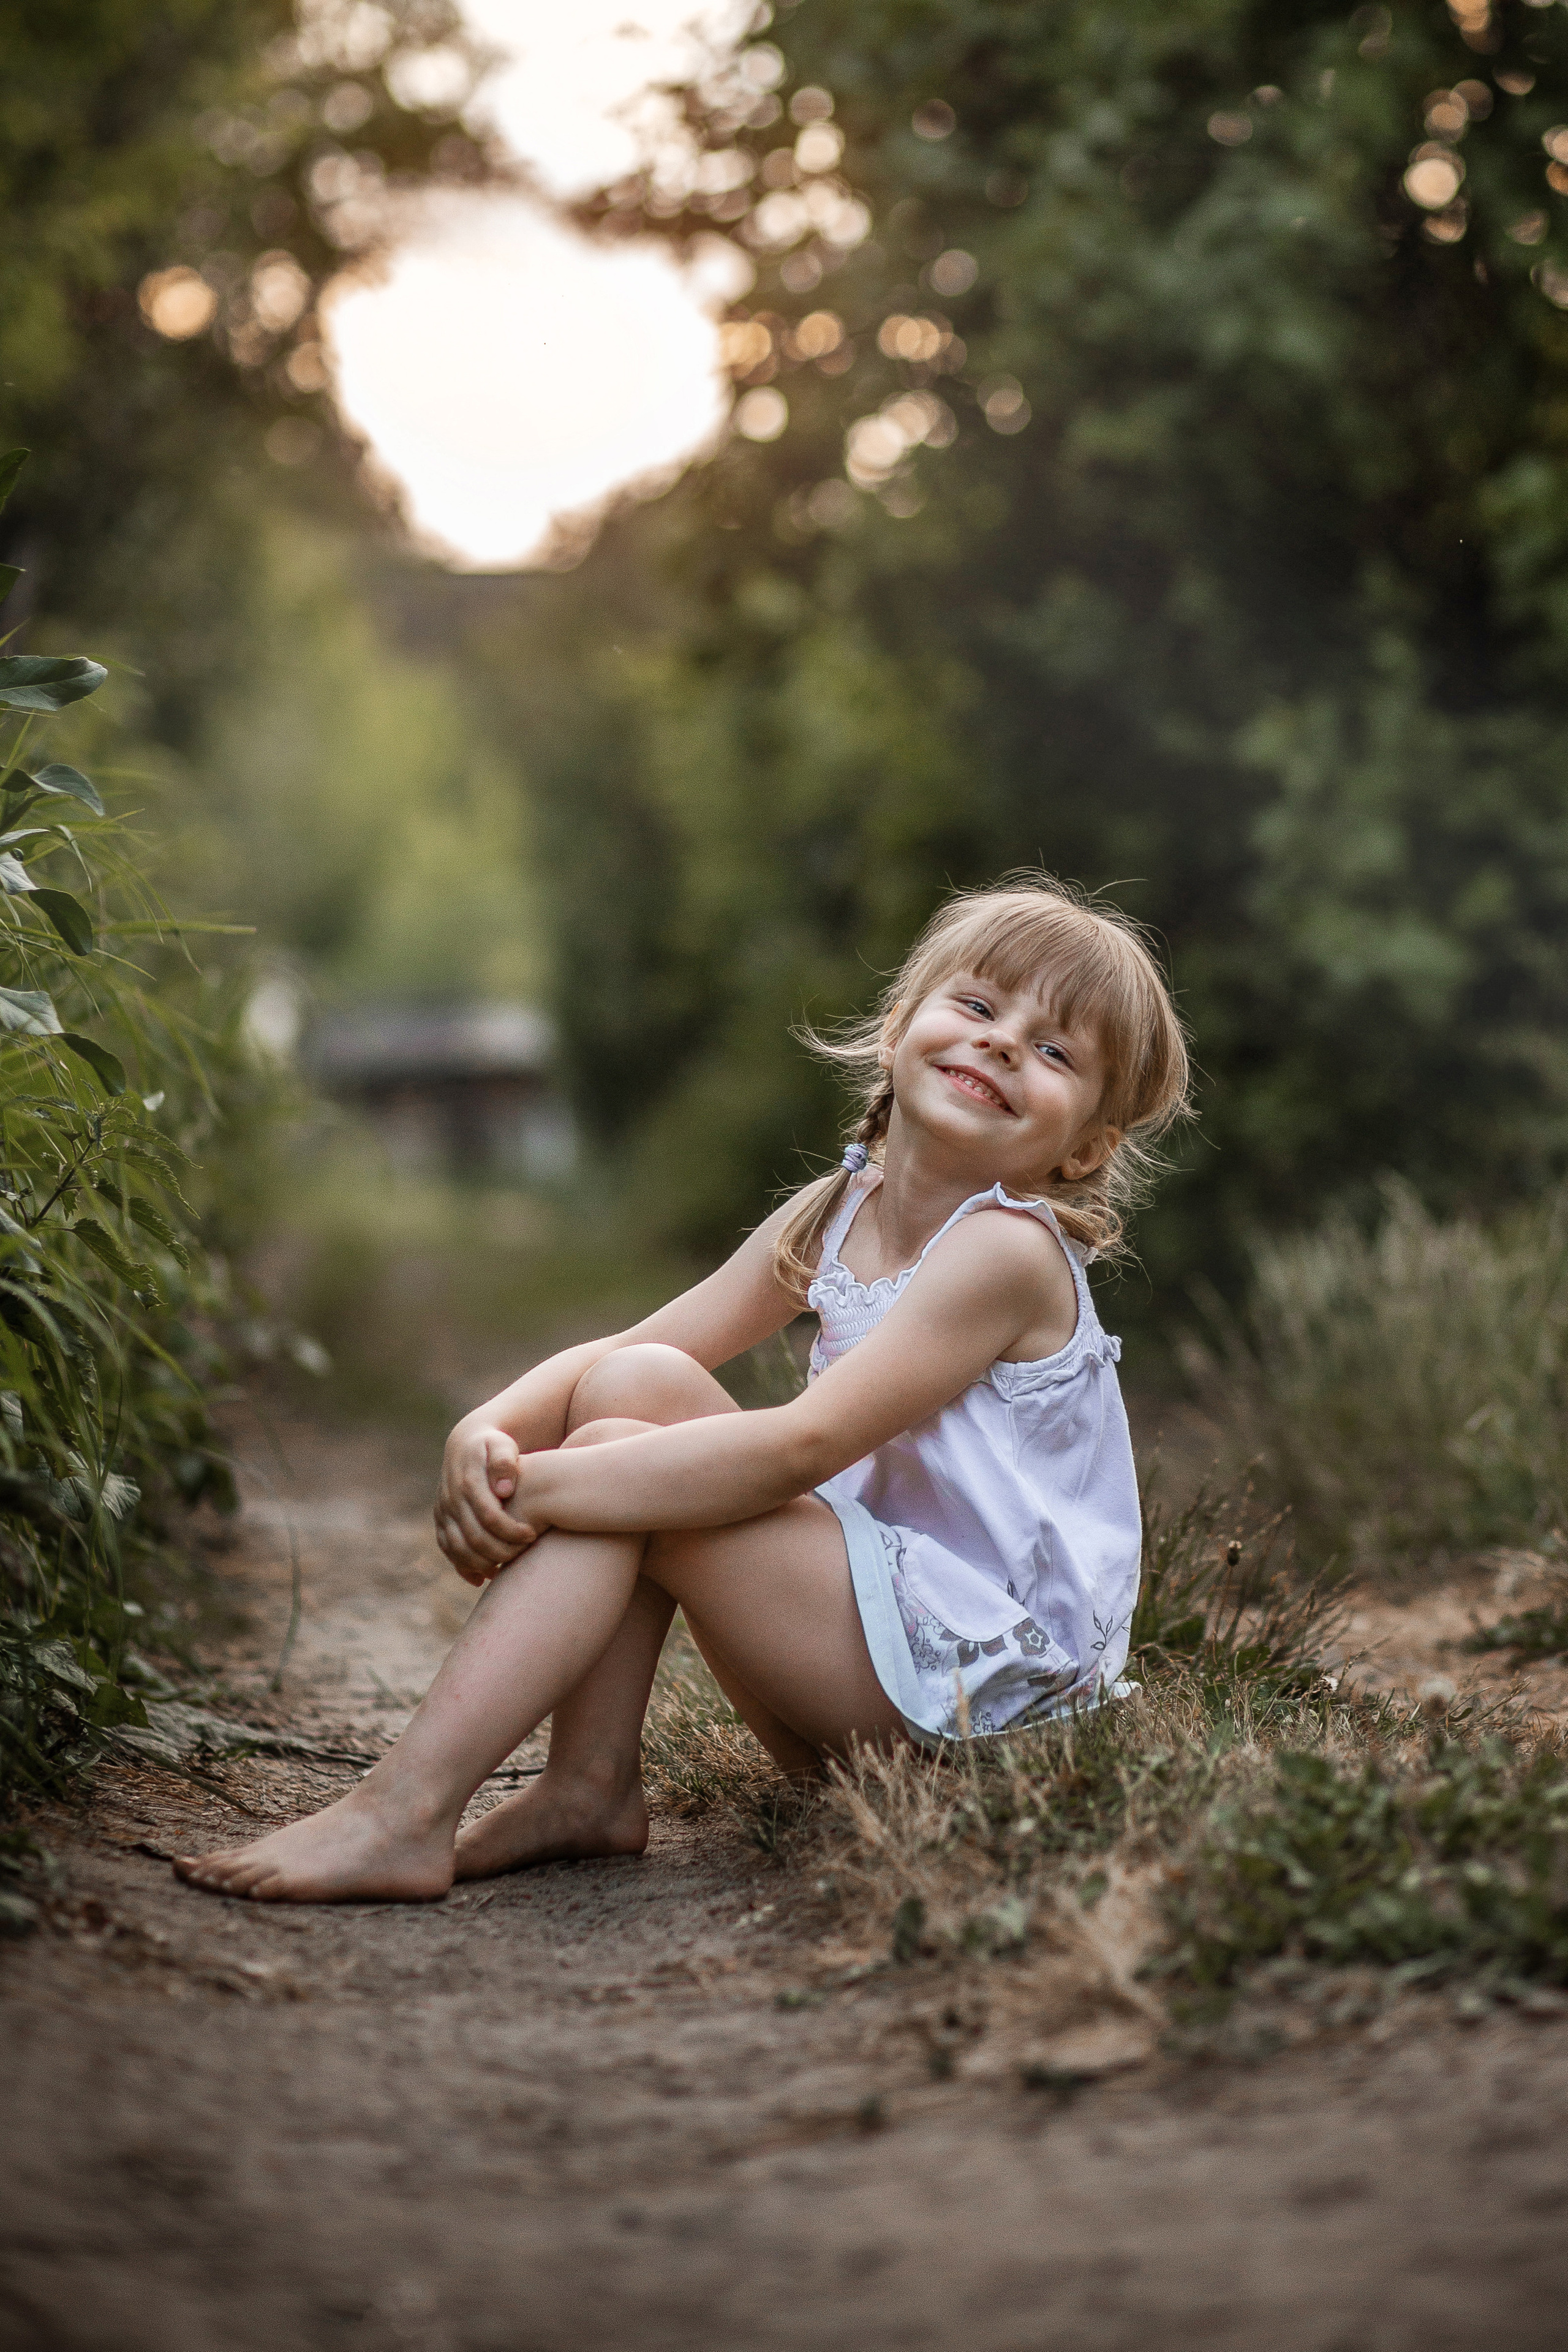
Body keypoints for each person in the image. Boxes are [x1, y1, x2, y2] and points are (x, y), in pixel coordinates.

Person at [175, 876, 1191, 1903]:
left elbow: (802, 1448)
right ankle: (589, 1784)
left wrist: (540, 1491)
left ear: (1088, 1147)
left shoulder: (1007, 1253)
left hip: (989, 1711)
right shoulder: (844, 1205)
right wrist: (486, 1426)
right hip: (880, 1662)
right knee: (637, 1386)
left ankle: (401, 1814)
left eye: (1056, 1051)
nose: (1005, 1043)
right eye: (976, 1007)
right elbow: (639, 1346)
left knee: (629, 1468)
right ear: (897, 1032)